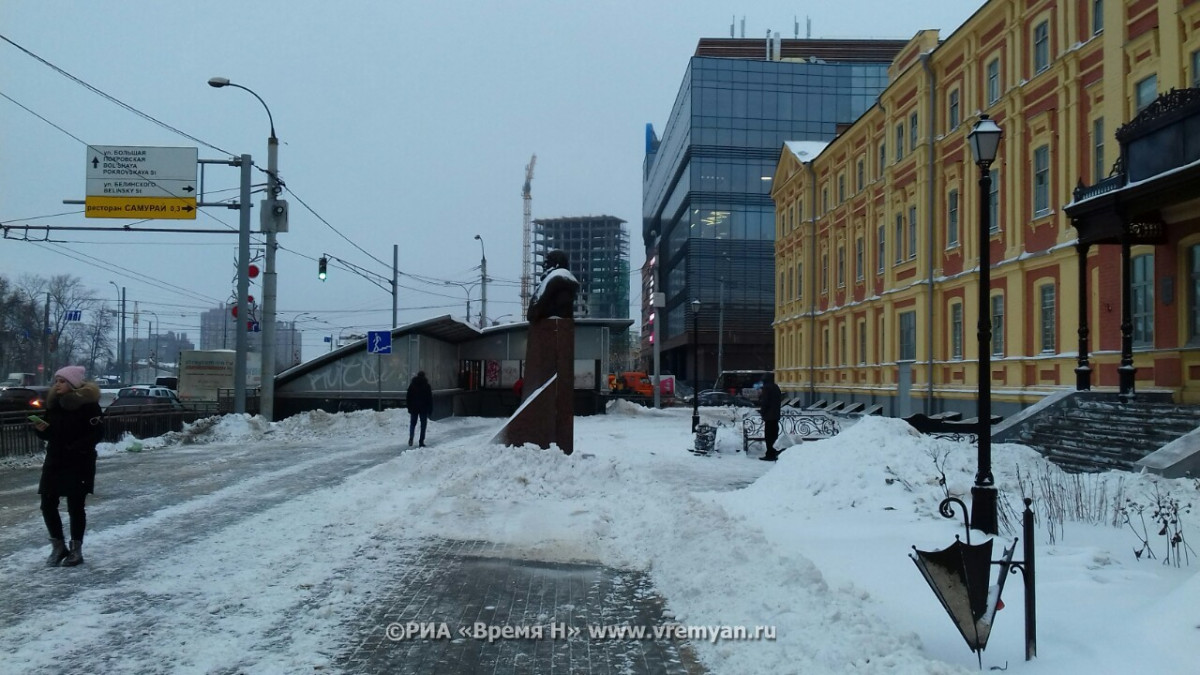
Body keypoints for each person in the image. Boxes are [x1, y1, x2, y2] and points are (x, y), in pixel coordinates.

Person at [32, 365, 104, 566]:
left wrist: (76, 447)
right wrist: (41, 430)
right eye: (56, 381)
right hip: (55, 459)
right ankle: (58, 546)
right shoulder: (54, 404)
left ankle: (76, 550)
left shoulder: (88, 406)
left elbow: (97, 433)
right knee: (47, 503)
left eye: (62, 381)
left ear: (72, 384)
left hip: (79, 461)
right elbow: (50, 433)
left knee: (75, 506)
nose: (57, 385)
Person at [758, 372, 783, 462]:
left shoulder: (767, 388)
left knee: (769, 437)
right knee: (774, 435)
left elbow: (765, 402)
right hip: (775, 416)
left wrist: (762, 412)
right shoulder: (776, 387)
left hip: (769, 416)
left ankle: (770, 454)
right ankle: (773, 452)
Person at [406, 371, 433, 447]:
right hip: (423, 408)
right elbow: (429, 398)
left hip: (414, 408)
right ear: (424, 376)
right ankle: (421, 441)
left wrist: (409, 407)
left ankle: (411, 437)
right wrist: (430, 409)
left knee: (413, 424)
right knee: (423, 425)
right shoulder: (427, 386)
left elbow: (408, 397)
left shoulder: (412, 385)